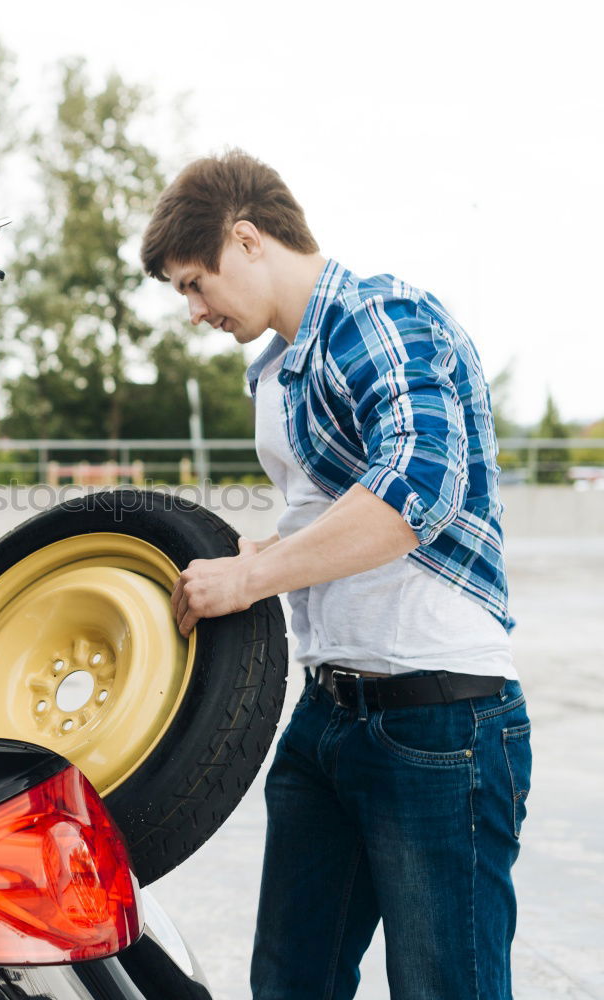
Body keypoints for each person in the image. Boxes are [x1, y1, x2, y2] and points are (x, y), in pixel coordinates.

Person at [140, 149, 531, 1000]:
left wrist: (256, 579)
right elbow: (324, 523)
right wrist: (260, 560)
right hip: (328, 718)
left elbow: (417, 489)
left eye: (196, 283)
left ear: (246, 239)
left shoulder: (378, 313)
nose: (196, 311)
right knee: (291, 983)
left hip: (441, 719)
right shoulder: (276, 369)